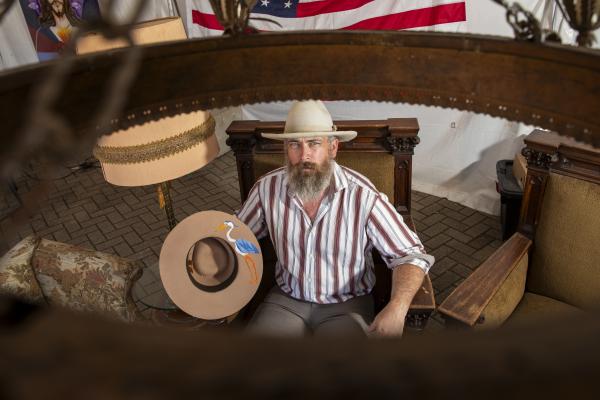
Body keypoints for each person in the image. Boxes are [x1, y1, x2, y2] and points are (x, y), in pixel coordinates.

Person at [237, 100, 434, 338]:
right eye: (294, 145)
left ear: (333, 148)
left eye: (314, 143)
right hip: (287, 298)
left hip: (346, 304)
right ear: (285, 150)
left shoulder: (363, 196)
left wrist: (398, 307)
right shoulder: (266, 189)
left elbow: (410, 255)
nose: (304, 155)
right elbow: (236, 235)